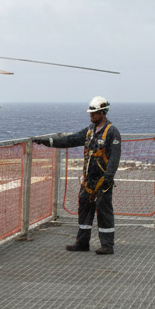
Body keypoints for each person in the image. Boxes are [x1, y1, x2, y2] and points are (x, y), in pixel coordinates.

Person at [35, 97, 121, 255]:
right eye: (91, 113)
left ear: (102, 113)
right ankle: (82, 242)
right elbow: (70, 140)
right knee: (84, 210)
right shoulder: (89, 131)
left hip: (102, 181)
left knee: (104, 211)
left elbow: (114, 158)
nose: (91, 116)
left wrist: (108, 178)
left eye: (94, 113)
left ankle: (107, 245)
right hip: (88, 181)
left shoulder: (112, 132)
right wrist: (47, 141)